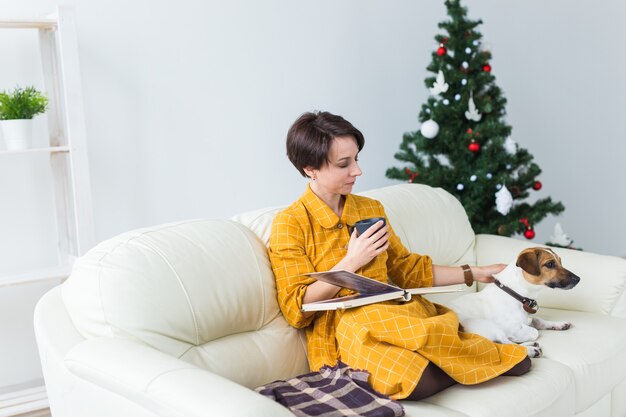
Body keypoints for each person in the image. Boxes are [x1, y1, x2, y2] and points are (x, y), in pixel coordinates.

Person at [268, 111, 530, 401]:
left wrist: (474, 272)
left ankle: (458, 357)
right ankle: (469, 357)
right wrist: (351, 261)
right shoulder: (289, 224)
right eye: (344, 164)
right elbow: (296, 307)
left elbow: (409, 269)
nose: (357, 171)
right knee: (408, 377)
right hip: (346, 332)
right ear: (310, 169)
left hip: (395, 316)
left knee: (411, 332)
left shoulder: (370, 209)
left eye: (356, 159)